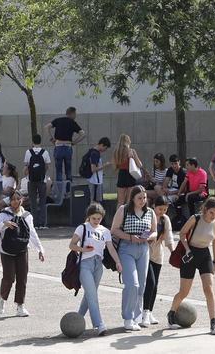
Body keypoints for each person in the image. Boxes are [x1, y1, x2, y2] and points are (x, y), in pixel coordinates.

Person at [168, 196, 215, 335]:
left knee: (209, 289)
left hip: (205, 255)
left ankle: (213, 322)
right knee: (184, 292)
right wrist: (186, 249)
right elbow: (181, 234)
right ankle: (171, 314)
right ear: (205, 210)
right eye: (211, 212)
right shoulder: (195, 218)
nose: (214, 216)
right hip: (191, 254)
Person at [0, 189, 44, 317]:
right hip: (6, 250)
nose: (15, 202)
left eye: (18, 199)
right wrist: (4, 224)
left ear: (22, 200)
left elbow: (32, 233)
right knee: (9, 278)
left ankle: (20, 306)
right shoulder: (3, 214)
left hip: (22, 249)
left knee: (22, 278)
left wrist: (40, 249)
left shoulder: (27, 216)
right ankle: (2, 299)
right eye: (12, 199)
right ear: (9, 201)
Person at [69, 202, 121, 337]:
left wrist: (118, 262)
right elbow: (72, 245)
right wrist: (83, 249)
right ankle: (99, 325)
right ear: (89, 217)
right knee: (92, 295)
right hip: (85, 264)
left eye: (99, 218)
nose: (96, 221)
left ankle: (77, 319)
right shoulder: (82, 228)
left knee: (89, 295)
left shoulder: (105, 231)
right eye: (94, 218)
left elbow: (110, 248)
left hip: (98, 265)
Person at [112, 185, 157, 331]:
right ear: (132, 198)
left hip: (144, 249)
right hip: (127, 248)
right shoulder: (123, 209)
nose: (143, 201)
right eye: (139, 198)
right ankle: (128, 317)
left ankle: (136, 318)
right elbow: (114, 229)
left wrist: (149, 237)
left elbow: (155, 231)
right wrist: (130, 237)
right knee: (132, 284)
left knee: (142, 285)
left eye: (144, 198)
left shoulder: (150, 212)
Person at [142, 195, 175, 327]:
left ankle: (150, 312)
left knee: (155, 286)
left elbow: (169, 237)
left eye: (165, 209)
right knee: (150, 282)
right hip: (146, 254)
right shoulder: (148, 216)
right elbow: (143, 234)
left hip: (158, 255)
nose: (162, 212)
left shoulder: (165, 219)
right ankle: (144, 312)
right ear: (154, 206)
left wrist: (174, 253)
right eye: (160, 209)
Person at [47, 107, 85, 205]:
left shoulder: (58, 120)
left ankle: (60, 192)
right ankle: (68, 192)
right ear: (71, 114)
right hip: (68, 146)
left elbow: (47, 127)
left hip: (58, 146)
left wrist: (52, 138)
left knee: (59, 170)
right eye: (75, 114)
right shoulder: (72, 122)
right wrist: (74, 142)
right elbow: (82, 134)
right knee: (68, 170)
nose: (75, 116)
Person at [22, 135, 51, 229]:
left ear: (33, 142)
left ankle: (34, 223)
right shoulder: (45, 152)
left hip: (31, 180)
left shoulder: (28, 152)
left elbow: (26, 166)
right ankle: (42, 223)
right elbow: (47, 166)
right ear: (40, 141)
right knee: (42, 201)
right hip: (42, 180)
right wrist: (42, 173)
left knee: (33, 202)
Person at [112, 134, 144, 208]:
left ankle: (118, 218)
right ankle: (127, 217)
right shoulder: (131, 151)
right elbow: (140, 165)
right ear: (128, 141)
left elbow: (114, 167)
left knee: (120, 202)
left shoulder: (116, 152)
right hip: (130, 174)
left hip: (121, 175)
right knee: (129, 200)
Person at [176, 157, 209, 223]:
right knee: (177, 201)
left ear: (193, 165)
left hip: (202, 193)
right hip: (191, 193)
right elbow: (184, 183)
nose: (186, 167)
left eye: (187, 165)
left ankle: (193, 218)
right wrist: (178, 194)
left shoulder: (202, 173)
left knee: (190, 198)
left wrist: (189, 194)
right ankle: (179, 218)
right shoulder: (189, 172)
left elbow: (201, 189)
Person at [82, 137, 111, 203]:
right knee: (95, 202)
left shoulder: (92, 151)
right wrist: (105, 165)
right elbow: (93, 169)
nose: (105, 150)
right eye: (105, 148)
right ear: (102, 145)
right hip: (95, 181)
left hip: (93, 180)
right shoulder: (95, 154)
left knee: (94, 201)